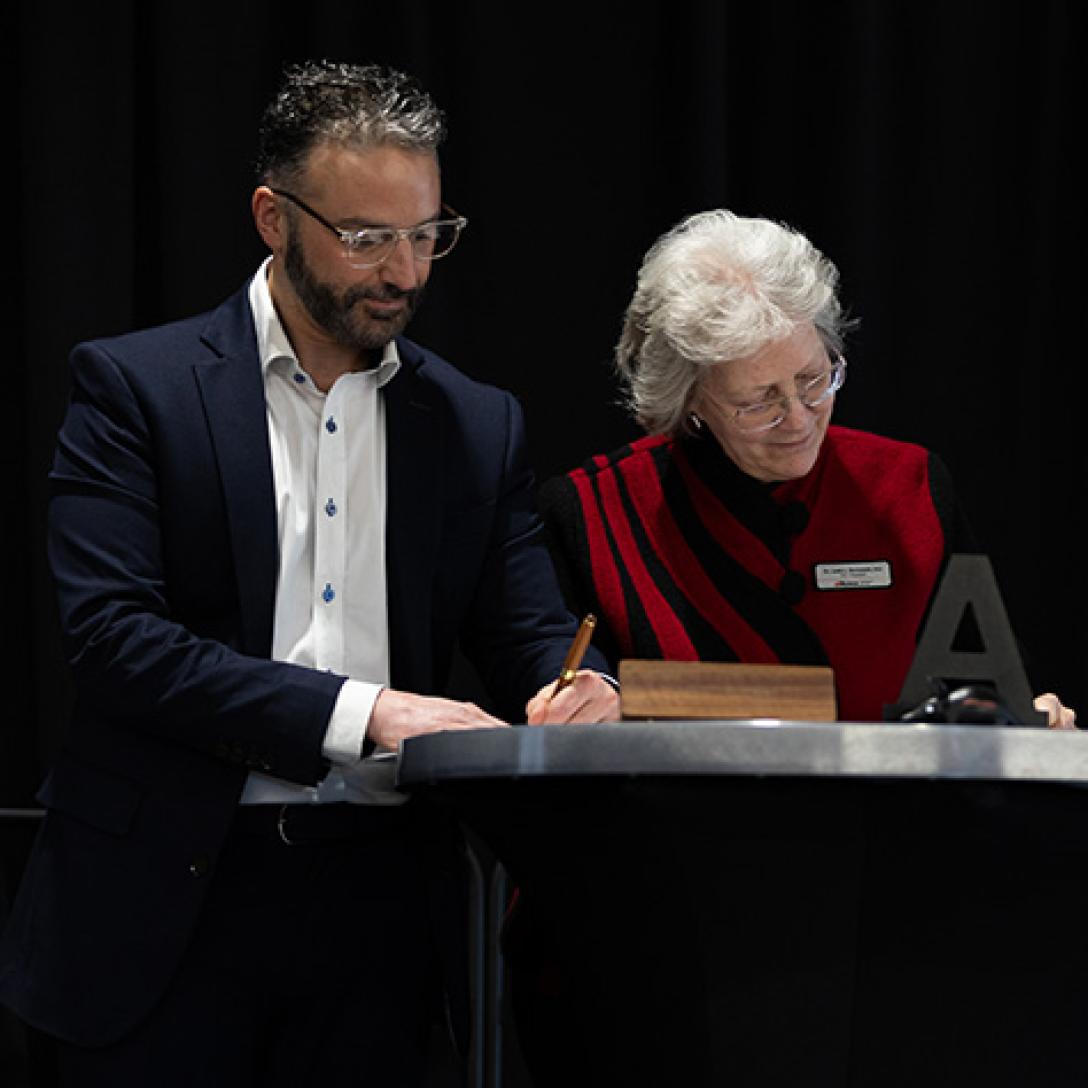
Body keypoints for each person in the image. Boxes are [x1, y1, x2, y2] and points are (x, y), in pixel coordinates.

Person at [0, 60, 617, 1087]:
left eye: (427, 234)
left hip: (382, 905)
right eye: (366, 236)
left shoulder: (472, 421)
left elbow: (527, 634)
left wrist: (577, 689)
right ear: (270, 216)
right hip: (166, 899)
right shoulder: (134, 388)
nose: (404, 272)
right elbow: (112, 639)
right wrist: (362, 711)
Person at [537, 208, 1073, 727]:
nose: (798, 419)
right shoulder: (597, 512)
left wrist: (1032, 718)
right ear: (691, 399)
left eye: (815, 380)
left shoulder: (908, 486)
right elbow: (576, 702)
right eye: (759, 401)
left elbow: (987, 688)